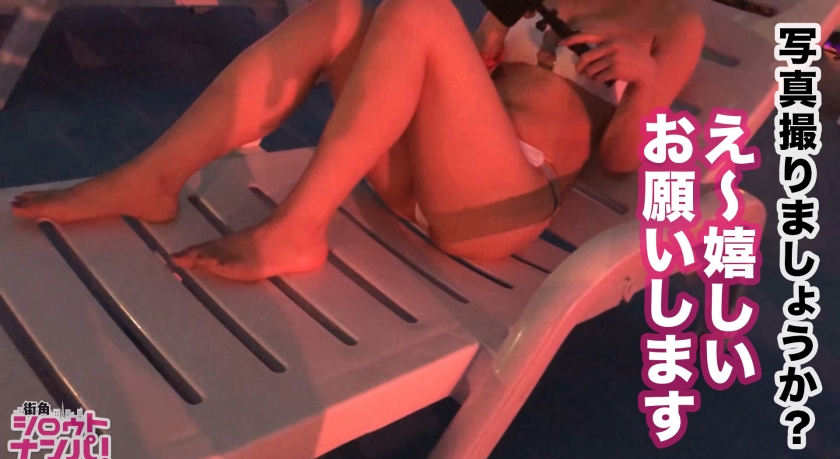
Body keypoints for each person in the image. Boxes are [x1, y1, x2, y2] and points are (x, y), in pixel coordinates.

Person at [10, 0, 705, 281]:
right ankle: (156, 177)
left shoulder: (674, 23)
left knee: (418, 6)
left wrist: (644, 80)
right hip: (425, 171)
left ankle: (297, 229)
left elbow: (623, 159)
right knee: (341, 12)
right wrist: (481, 54)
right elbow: (452, 64)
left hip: (501, 205)